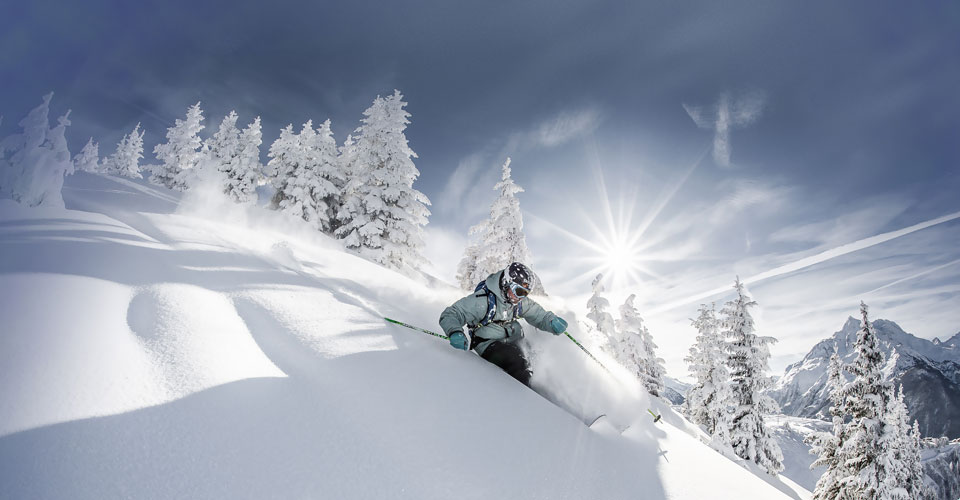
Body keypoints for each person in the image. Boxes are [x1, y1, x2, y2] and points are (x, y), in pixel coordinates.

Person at [439, 262, 568, 386]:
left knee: (537, 356)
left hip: (513, 339)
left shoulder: (517, 302)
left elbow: (538, 315)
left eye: (525, 293)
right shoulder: (482, 301)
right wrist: (455, 332)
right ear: (507, 283)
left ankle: (546, 393)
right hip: (488, 343)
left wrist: (551, 322)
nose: (521, 297)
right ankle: (523, 400)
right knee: (518, 363)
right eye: (519, 291)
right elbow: (452, 314)